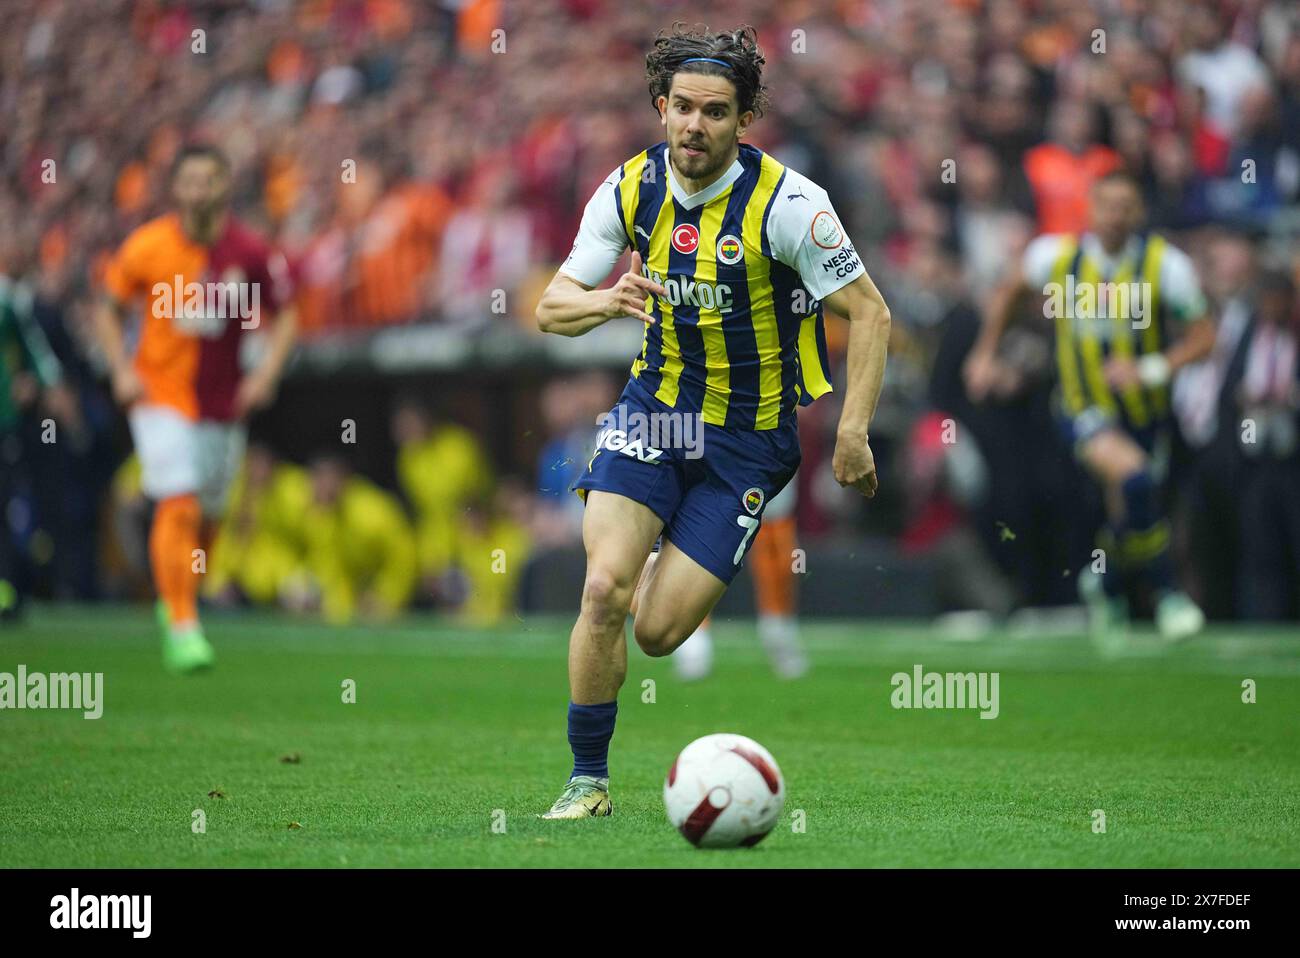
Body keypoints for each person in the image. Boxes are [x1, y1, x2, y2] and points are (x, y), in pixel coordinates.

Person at [533, 24, 891, 818]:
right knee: (601, 591)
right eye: (683, 108)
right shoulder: (629, 188)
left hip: (747, 443)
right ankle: (587, 782)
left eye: (716, 112)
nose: (696, 126)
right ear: (661, 108)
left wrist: (853, 431)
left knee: (658, 635)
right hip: (652, 415)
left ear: (743, 119)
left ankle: (678, 546)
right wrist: (603, 302)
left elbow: (870, 314)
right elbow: (549, 308)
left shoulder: (791, 204)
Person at [964, 170, 1215, 643]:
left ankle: (1107, 583)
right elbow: (1010, 292)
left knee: (1133, 502)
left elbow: (1205, 336)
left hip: (1147, 412)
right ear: (1090, 209)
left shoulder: (1166, 266)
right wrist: (984, 352)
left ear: (1138, 212)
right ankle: (1166, 593)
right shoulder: (1055, 257)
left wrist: (1154, 367)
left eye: (1126, 206)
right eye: (1107, 205)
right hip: (1083, 406)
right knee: (1135, 477)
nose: (1115, 216)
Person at [92, 145, 297, 672]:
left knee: (209, 516)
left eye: (209, 180)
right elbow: (109, 308)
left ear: (226, 186)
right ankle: (183, 625)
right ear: (176, 189)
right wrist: (120, 368)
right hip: (160, 395)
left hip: (223, 402)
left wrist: (265, 376)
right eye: (190, 181)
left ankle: (176, 594)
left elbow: (288, 312)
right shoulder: (148, 246)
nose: (199, 191)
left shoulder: (250, 252)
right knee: (178, 502)